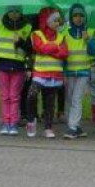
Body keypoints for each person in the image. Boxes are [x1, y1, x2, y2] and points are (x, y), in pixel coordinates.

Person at [0, 5, 32, 136]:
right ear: (7, 12)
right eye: (11, 11)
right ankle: (6, 123)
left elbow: (30, 48)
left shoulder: (27, 27)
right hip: (2, 66)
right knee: (5, 96)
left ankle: (13, 123)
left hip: (18, 67)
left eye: (17, 11)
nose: (14, 14)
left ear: (21, 13)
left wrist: (21, 41)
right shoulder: (0, 25)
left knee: (14, 96)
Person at [26, 7, 67, 138]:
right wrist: (55, 47)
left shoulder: (61, 36)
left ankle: (48, 127)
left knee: (50, 102)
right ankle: (31, 120)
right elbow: (40, 47)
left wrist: (50, 50)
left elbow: (65, 52)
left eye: (59, 21)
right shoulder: (37, 34)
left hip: (55, 74)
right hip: (40, 73)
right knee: (31, 95)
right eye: (55, 20)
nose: (58, 23)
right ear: (47, 21)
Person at [63, 4, 92, 139]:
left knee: (76, 99)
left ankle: (73, 126)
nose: (78, 18)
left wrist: (89, 41)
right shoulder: (65, 33)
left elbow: (94, 52)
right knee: (69, 99)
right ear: (71, 17)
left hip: (83, 72)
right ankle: (74, 125)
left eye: (81, 15)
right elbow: (62, 53)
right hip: (69, 72)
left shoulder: (89, 32)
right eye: (75, 15)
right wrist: (63, 71)